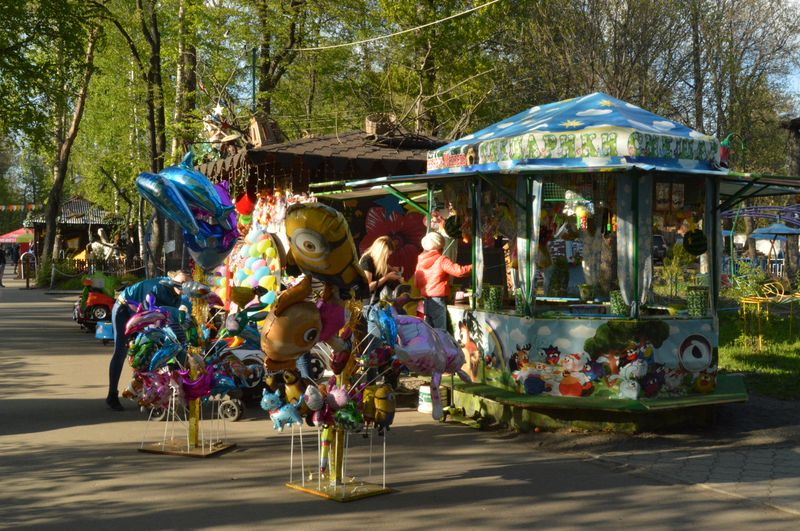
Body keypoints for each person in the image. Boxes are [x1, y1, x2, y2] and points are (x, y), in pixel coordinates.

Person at [106, 270, 190, 411]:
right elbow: (148, 312)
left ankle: (142, 390)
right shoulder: (157, 287)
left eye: (186, 286)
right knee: (121, 351)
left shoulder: (178, 296)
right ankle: (112, 395)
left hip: (145, 313)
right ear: (173, 281)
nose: (183, 289)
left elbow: (171, 318)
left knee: (153, 349)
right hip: (125, 308)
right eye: (181, 284)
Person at [414, 232, 472, 330]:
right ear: (440, 246)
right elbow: (459, 271)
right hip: (438, 300)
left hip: (427, 301)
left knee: (430, 331)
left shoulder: (420, 261)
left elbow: (416, 283)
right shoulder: (441, 260)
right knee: (441, 332)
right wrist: (474, 267)